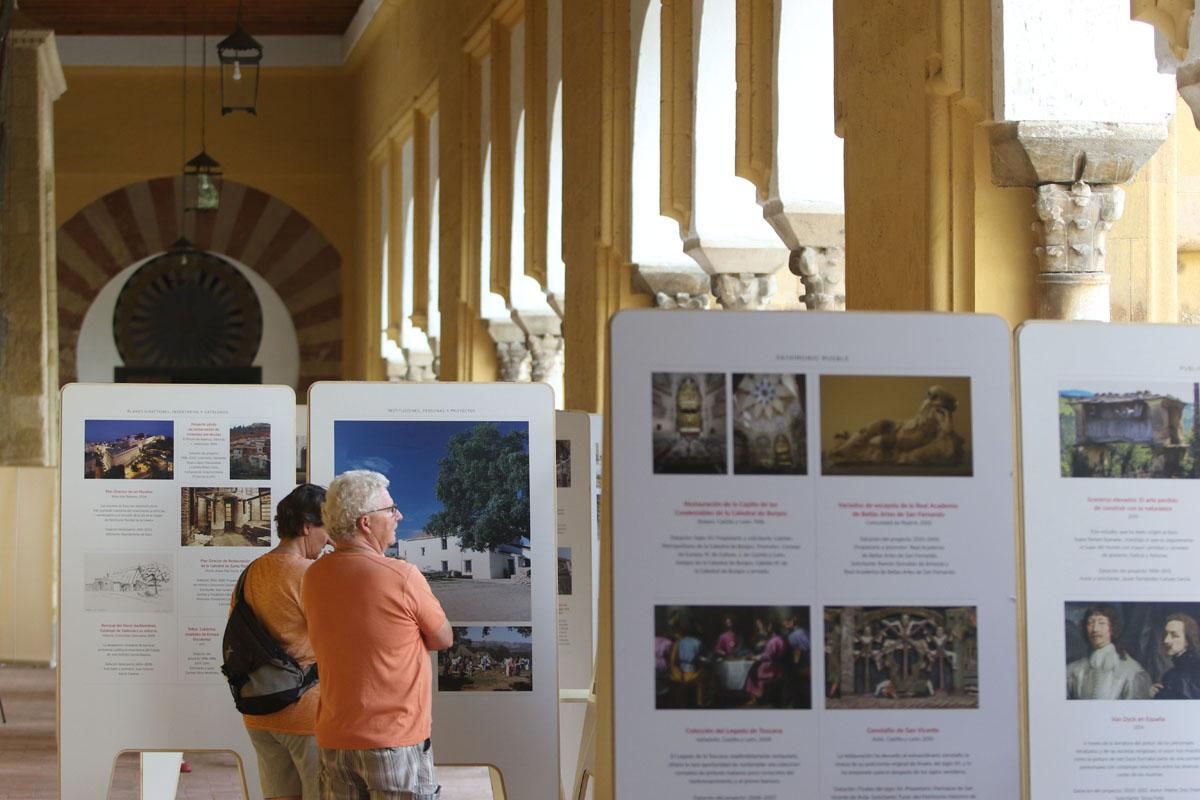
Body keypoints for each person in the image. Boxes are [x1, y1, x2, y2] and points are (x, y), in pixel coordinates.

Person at [303, 470, 453, 800]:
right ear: (365, 523)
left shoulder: (313, 576)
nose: (398, 515)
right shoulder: (402, 575)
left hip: (334, 740)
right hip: (393, 740)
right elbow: (443, 638)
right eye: (390, 509)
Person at [234, 483, 330, 800]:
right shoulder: (311, 574)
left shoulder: (249, 573)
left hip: (259, 711)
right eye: (325, 527)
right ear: (306, 526)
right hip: (305, 712)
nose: (328, 538)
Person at [1066, 606, 1152, 700]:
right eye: (1090, 623)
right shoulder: (1073, 670)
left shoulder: (1131, 672)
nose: (1095, 629)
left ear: (1112, 627)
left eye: (1102, 623)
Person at [1153, 613, 1200, 699]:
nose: (1166, 640)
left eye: (1174, 635)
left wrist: (1160, 695)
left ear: (1188, 640)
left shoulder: (1195, 672)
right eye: (1165, 634)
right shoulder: (1171, 673)